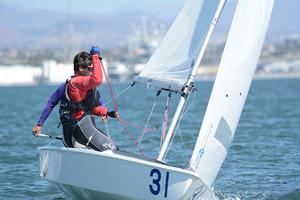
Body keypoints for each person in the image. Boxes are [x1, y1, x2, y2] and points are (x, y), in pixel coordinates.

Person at [32, 46, 119, 151]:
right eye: (91, 69)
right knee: (112, 150)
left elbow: (96, 106)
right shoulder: (76, 83)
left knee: (111, 148)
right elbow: (97, 79)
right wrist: (95, 57)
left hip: (78, 132)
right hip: (78, 131)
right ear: (81, 68)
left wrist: (107, 112)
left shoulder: (82, 86)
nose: (92, 72)